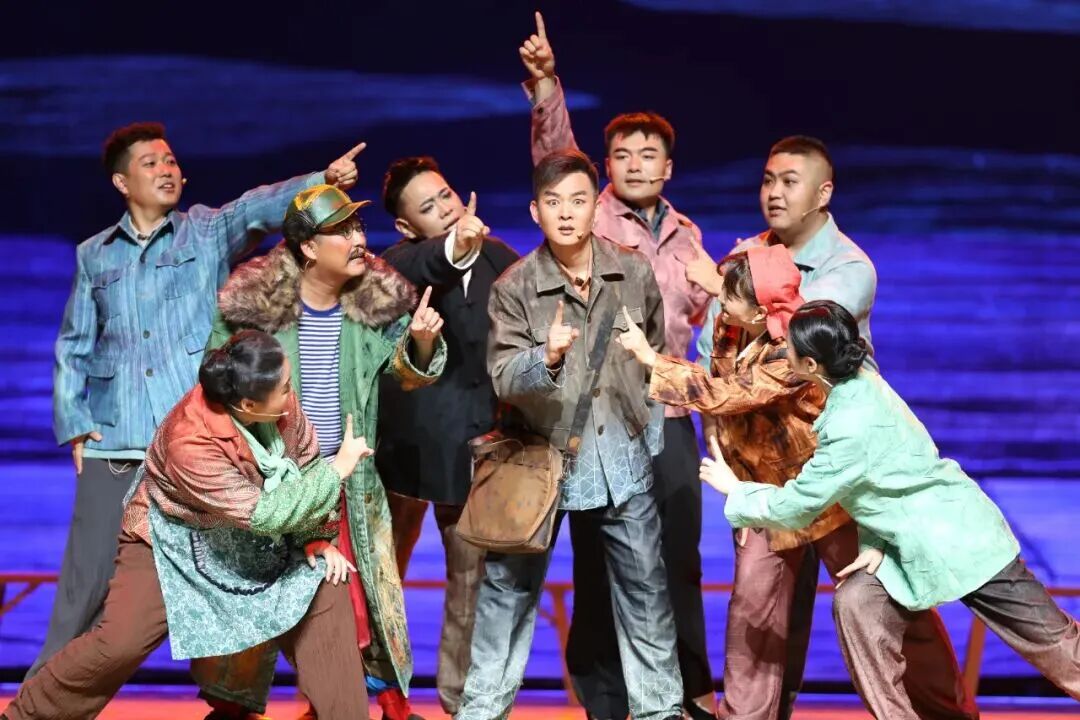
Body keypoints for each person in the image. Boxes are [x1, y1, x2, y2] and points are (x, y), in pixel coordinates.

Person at [41, 120, 364, 687]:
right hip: (116, 443)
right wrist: (74, 421)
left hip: (196, 450)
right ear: (122, 182)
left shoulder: (206, 230)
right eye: (151, 163)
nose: (166, 170)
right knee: (82, 591)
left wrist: (322, 181)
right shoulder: (94, 254)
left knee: (234, 580)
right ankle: (41, 702)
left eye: (171, 161)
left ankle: (235, 697)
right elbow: (74, 344)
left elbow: (258, 208)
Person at [700, 300, 1080, 718]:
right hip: (906, 545)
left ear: (809, 365)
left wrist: (737, 490)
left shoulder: (850, 423)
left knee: (1058, 648)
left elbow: (799, 504)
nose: (779, 348)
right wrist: (876, 543)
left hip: (959, 539)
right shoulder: (858, 385)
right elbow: (880, 481)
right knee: (858, 605)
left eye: (786, 345)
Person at [4, 330, 374, 719]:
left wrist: (315, 538)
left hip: (256, 535)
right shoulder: (189, 439)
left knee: (326, 583)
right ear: (248, 403)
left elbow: (306, 464)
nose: (291, 394)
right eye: (284, 388)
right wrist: (338, 469)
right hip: (176, 541)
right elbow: (265, 512)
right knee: (120, 642)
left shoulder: (279, 405)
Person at [519, 14, 713, 718]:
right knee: (602, 563)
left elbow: (708, 329)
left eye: (648, 154)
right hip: (601, 422)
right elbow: (556, 156)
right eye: (622, 154)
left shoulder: (688, 236)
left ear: (668, 168)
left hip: (671, 414)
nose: (634, 164)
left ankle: (687, 692)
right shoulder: (590, 218)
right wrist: (547, 85)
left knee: (678, 557)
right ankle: (606, 697)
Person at [196, 184, 446, 720]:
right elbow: (216, 388)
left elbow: (409, 372)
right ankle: (236, 706)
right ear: (309, 247)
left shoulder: (374, 305)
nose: (359, 240)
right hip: (274, 486)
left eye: (359, 228)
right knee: (260, 601)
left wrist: (423, 341)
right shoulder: (255, 312)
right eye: (342, 231)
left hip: (347, 485)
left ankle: (378, 704)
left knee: (361, 603)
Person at [456, 150, 683, 720]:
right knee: (507, 595)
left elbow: (655, 354)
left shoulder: (632, 270)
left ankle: (659, 711)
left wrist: (646, 435)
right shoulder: (514, 286)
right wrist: (546, 358)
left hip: (621, 458)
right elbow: (502, 375)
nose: (565, 213)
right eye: (553, 202)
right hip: (541, 462)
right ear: (535, 211)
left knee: (646, 596)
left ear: (594, 207)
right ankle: (481, 711)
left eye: (578, 201)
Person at [619, 246, 863, 719]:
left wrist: (651, 358)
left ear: (759, 310)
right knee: (753, 606)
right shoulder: (731, 327)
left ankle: (935, 707)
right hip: (762, 493)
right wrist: (719, 440)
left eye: (729, 295)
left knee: (875, 594)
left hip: (821, 489)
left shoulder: (793, 348)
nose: (720, 299)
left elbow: (726, 392)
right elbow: (718, 379)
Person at [376, 156, 519, 715]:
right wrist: (456, 245)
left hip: (476, 451)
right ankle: (370, 694)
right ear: (406, 225)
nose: (444, 209)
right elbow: (431, 260)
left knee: (469, 585)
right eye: (427, 207)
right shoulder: (397, 264)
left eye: (446, 195)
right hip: (404, 458)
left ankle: (460, 702)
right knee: (381, 582)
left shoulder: (501, 258)